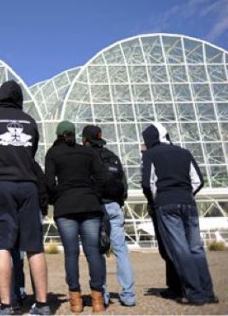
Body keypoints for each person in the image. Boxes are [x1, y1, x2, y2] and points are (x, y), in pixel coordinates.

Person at [0, 80, 50, 315]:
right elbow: (33, 150)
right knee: (34, 246)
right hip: (28, 185)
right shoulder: (30, 121)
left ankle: (6, 305)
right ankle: (42, 303)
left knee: (2, 245)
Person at [141, 123, 218, 305]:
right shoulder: (184, 152)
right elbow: (198, 180)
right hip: (188, 203)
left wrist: (157, 200)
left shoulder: (150, 155)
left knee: (180, 249)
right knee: (196, 248)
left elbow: (147, 183)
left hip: (166, 205)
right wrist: (185, 193)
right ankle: (208, 292)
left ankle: (194, 293)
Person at [43, 121, 108, 313]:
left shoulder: (53, 153)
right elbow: (101, 177)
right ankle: (97, 299)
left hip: (65, 207)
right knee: (93, 252)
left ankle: (75, 300)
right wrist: (93, 194)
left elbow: (48, 182)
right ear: (75, 134)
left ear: (58, 135)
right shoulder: (88, 152)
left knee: (71, 254)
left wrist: (58, 197)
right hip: (89, 205)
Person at [83, 125, 136, 307]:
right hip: (114, 206)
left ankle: (103, 295)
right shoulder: (112, 156)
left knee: (98, 251)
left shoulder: (85, 156)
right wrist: (119, 203)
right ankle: (128, 296)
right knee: (121, 250)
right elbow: (124, 185)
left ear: (85, 140)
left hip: (96, 207)